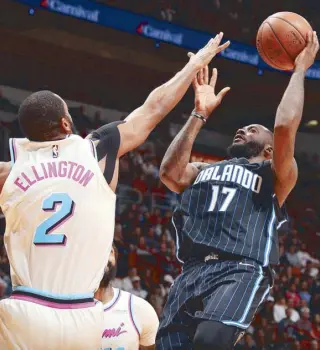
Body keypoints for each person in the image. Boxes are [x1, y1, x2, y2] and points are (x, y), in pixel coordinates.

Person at [0, 33, 230, 349]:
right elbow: (153, 108)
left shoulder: (9, 171)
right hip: (83, 314)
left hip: (24, 310)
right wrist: (194, 65)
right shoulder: (97, 150)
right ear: (67, 124)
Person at [156, 31, 319, 350]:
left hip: (240, 268)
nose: (243, 129)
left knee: (209, 341)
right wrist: (199, 113)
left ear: (270, 150)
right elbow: (170, 174)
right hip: (191, 271)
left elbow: (285, 127)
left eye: (254, 130)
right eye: (242, 128)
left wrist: (300, 70)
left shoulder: (274, 174)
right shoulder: (206, 169)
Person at [95, 243, 159, 350]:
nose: (103, 257)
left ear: (114, 257)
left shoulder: (141, 309)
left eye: (109, 251)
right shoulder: (65, 311)